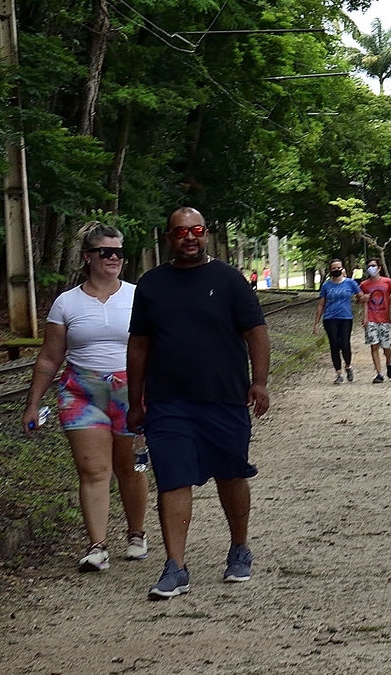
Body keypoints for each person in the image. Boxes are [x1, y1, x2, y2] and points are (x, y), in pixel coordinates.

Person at [126, 207, 270, 600]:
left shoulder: (229, 280)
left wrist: (259, 383)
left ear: (205, 234)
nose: (189, 237)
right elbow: (138, 346)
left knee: (231, 473)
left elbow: (256, 333)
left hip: (224, 397)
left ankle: (239, 547)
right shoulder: (152, 284)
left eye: (197, 230)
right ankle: (175, 566)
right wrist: (135, 401)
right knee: (173, 478)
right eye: (180, 231)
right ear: (169, 238)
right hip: (168, 401)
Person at [22, 223, 150, 572]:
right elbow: (50, 357)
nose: (113, 258)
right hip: (82, 394)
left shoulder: (138, 296)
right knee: (93, 469)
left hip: (130, 392)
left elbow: (157, 347)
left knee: (131, 467)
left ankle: (136, 534)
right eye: (105, 252)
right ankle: (97, 546)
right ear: (87, 257)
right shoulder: (67, 302)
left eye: (118, 252)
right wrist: (33, 403)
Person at [312, 259, 363, 384]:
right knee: (334, 344)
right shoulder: (326, 286)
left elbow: (360, 297)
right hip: (330, 318)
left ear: (342, 268)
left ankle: (348, 366)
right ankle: (338, 373)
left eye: (338, 267)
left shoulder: (350, 283)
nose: (336, 270)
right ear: (330, 270)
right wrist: (316, 323)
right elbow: (321, 304)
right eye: (333, 268)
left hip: (346, 318)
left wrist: (364, 301)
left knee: (345, 344)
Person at [359, 257, 391, 383]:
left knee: (386, 347)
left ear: (379, 268)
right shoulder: (364, 284)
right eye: (369, 266)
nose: (371, 268)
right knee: (374, 346)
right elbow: (360, 300)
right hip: (371, 317)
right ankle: (379, 373)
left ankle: (389, 361)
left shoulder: (387, 282)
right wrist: (364, 314)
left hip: (384, 318)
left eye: (373, 265)